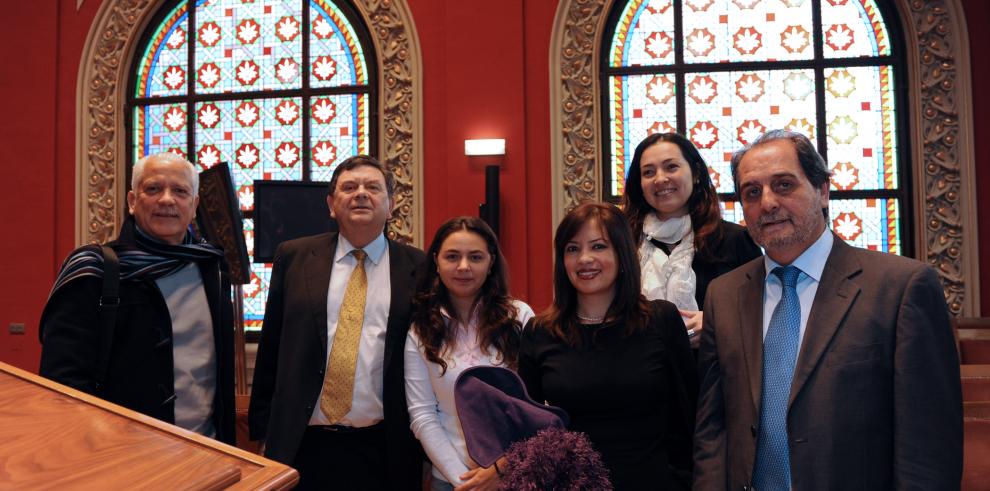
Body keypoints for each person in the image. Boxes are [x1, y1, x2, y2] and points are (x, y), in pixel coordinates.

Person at [693, 130, 963, 490]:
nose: (768, 203)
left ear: (822, 191)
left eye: (784, 185)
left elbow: (928, 446)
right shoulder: (723, 295)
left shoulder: (902, 289)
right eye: (752, 192)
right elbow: (713, 429)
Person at [248, 155, 425, 490]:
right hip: (302, 444)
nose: (360, 194)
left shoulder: (418, 266)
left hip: (385, 447)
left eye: (373, 187)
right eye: (349, 187)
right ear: (331, 204)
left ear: (391, 205)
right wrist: (261, 431)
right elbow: (271, 346)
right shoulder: (295, 257)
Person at [39, 152, 236, 444]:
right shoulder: (94, 270)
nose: (167, 200)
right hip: (119, 455)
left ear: (194, 206)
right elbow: (62, 384)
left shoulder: (212, 268)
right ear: (132, 201)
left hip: (205, 450)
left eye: (180, 191)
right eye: (153, 189)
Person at [519, 202, 697, 491]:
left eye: (599, 246)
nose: (584, 259)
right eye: (572, 249)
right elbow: (528, 428)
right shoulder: (540, 332)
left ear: (622, 253)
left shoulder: (660, 320)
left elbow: (689, 417)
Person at [404, 216, 535, 490]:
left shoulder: (520, 317)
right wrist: (465, 482)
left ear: (491, 264)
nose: (463, 267)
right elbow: (423, 416)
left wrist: (503, 469)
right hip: (452, 480)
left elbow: (536, 406)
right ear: (437, 263)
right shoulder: (421, 329)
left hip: (518, 473)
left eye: (475, 257)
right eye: (452, 256)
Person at [622, 132, 761, 349]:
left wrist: (718, 323)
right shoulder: (623, 243)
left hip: (714, 374)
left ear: (695, 173)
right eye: (648, 172)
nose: (660, 179)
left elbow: (763, 309)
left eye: (671, 167)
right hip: (639, 374)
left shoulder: (734, 240)